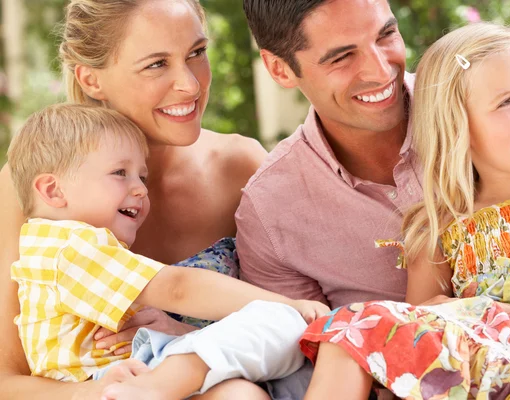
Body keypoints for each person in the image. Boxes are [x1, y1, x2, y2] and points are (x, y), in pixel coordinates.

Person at [239, 0, 510, 398]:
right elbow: (404, 328)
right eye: (341, 56)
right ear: (279, 67)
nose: (379, 71)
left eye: (386, 34)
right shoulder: (434, 228)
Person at [0, 1, 272, 399]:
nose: (191, 85)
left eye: (196, 53)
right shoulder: (34, 187)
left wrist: (184, 341)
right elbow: (6, 381)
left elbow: (295, 324)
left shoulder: (242, 168)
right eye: (156, 64)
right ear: (91, 80)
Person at [8, 103, 329, 400]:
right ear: (53, 190)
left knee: (251, 387)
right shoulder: (73, 246)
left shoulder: (49, 249)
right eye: (120, 172)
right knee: (281, 324)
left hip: (122, 379)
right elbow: (176, 288)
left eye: (142, 176)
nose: (140, 188)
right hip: (116, 381)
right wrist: (289, 306)